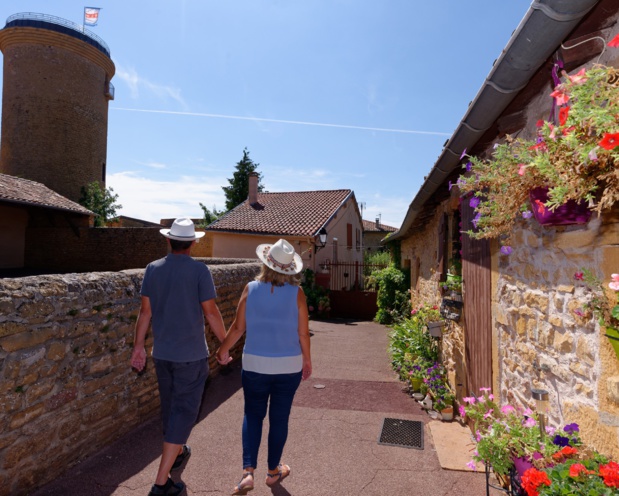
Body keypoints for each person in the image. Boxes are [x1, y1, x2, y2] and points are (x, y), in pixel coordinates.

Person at [131, 217, 227, 496]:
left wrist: (138, 347)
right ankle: (161, 484)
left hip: (162, 355)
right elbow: (211, 312)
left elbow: (145, 312)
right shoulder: (199, 271)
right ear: (193, 243)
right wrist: (226, 344)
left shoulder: (153, 269)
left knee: (171, 408)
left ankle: (179, 450)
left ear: (168, 240)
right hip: (191, 357)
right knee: (183, 413)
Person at [216, 239, 312, 495]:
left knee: (253, 415)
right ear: (289, 268)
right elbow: (303, 333)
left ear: (266, 263)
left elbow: (238, 328)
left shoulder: (250, 289)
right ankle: (273, 472)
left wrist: (222, 350)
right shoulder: (297, 294)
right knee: (279, 418)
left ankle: (248, 473)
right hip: (288, 366)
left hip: (255, 365)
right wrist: (307, 359)